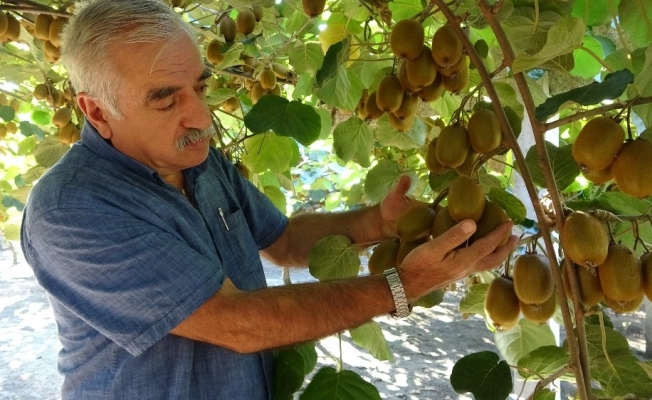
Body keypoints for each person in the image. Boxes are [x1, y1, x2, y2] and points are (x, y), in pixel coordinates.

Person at [20, 0, 518, 399]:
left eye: (200, 88)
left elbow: (283, 241)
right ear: (97, 112)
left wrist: (378, 223)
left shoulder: (202, 163)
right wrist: (403, 286)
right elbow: (237, 324)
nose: (202, 118)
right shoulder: (71, 210)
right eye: (167, 100)